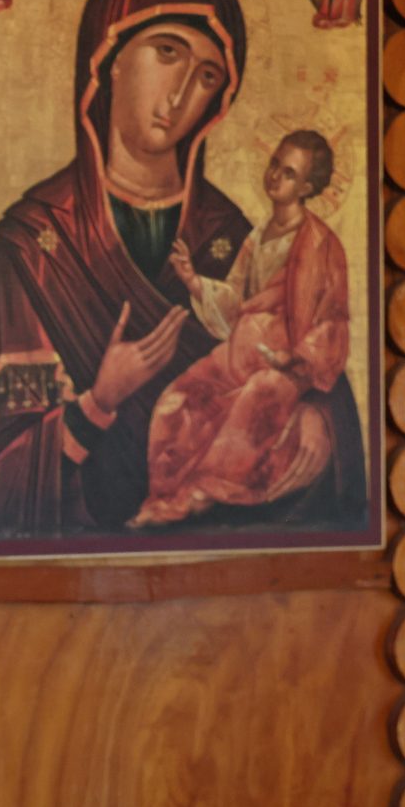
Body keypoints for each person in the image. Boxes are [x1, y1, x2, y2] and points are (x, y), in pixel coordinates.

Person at [0, 0, 366, 539]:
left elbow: (312, 355)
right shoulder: (28, 252)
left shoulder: (235, 236)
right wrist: (97, 403)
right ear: (109, 59)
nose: (180, 93)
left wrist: (320, 427)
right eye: (167, 52)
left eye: (207, 76)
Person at [134, 129, 352, 526]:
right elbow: (236, 300)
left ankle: (199, 494)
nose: (275, 176)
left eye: (289, 173)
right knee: (177, 398)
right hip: (238, 354)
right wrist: (193, 281)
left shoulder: (321, 244)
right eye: (275, 164)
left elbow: (332, 319)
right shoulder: (258, 236)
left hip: (283, 368)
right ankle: (164, 493)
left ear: (307, 187)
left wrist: (295, 359)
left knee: (256, 398)